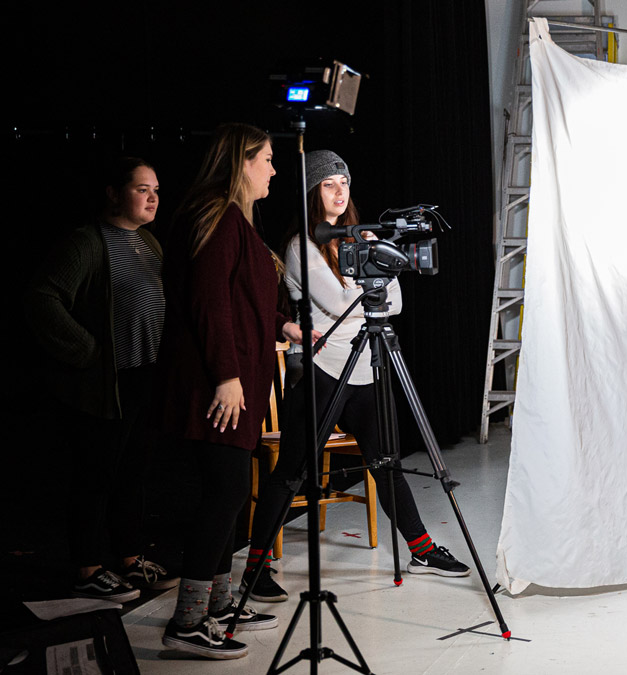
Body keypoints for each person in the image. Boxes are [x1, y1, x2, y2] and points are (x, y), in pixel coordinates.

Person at [240, 150, 469, 603]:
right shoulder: (299, 247)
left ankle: (421, 549)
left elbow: (392, 305)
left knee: (387, 462)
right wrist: (370, 281)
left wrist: (369, 275)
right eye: (330, 184)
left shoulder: (356, 239)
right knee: (289, 472)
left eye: (345, 182)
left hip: (366, 366)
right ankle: (255, 567)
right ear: (313, 192)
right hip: (321, 370)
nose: (340, 191)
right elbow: (343, 304)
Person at [156, 123, 310, 659]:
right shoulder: (217, 217)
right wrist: (225, 376)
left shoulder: (237, 223)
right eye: (266, 159)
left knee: (226, 496)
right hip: (216, 386)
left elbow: (243, 299)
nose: (273, 168)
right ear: (240, 162)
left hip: (234, 382)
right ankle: (187, 622)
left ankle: (218, 606)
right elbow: (209, 303)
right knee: (220, 496)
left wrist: (282, 325)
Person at [27, 157, 178, 602]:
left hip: (144, 377)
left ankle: (129, 559)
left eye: (156, 190)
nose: (152, 197)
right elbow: (42, 299)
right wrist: (86, 350)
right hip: (105, 384)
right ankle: (88, 568)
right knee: (96, 476)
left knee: (133, 472)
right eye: (141, 189)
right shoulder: (86, 243)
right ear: (114, 192)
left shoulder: (149, 242)